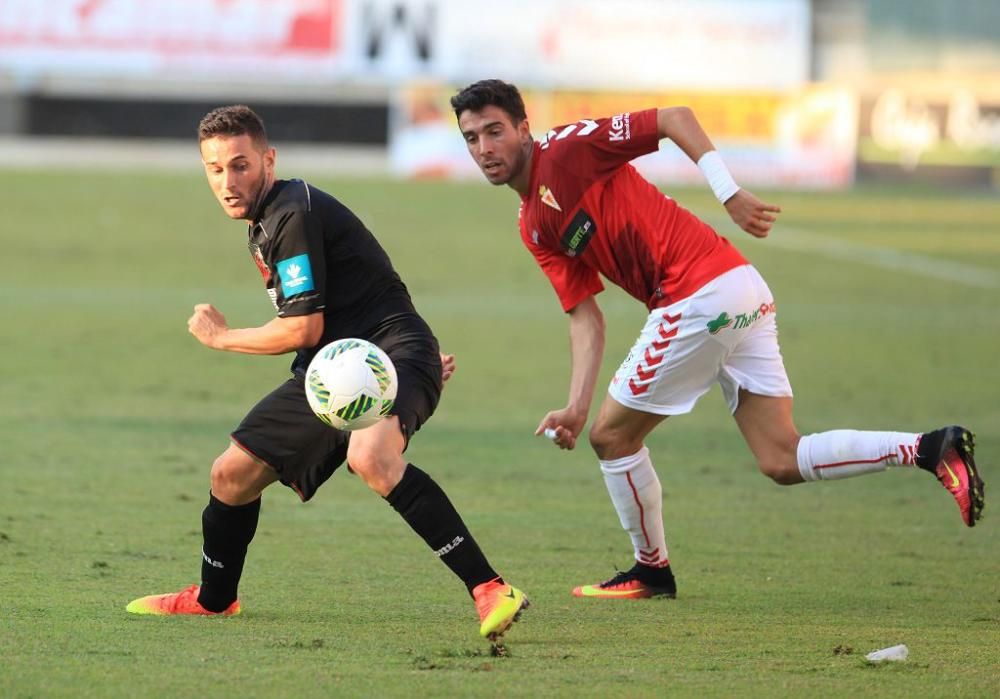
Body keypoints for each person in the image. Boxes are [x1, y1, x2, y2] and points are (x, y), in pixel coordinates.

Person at [449, 79, 985, 600]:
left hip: (697, 294)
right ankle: (928, 448)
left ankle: (651, 570)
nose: (484, 148)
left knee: (612, 438)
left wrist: (727, 192)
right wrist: (574, 405)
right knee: (780, 457)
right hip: (735, 290)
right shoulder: (534, 225)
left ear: (524, 128)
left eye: (495, 131)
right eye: (472, 138)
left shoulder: (568, 150)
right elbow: (585, 316)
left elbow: (673, 117)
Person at [126, 104, 528, 642]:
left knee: (372, 457)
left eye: (240, 165)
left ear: (269, 160)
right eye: (215, 169)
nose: (227, 181)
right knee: (230, 475)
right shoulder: (269, 217)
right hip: (342, 369)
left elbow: (302, 330)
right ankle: (214, 599)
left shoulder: (291, 211)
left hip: (385, 353)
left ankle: (490, 588)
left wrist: (222, 338)